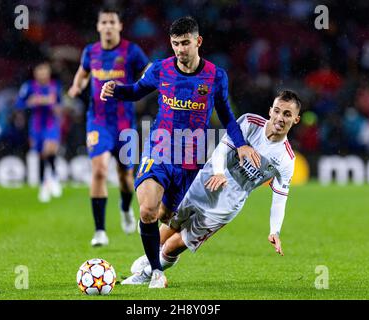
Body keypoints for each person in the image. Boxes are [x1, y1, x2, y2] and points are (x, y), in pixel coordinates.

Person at [100, 16, 254, 288]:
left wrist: (241, 144)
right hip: (158, 149)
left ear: (198, 41)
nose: (180, 49)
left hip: (191, 160)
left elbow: (227, 116)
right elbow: (136, 92)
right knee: (147, 209)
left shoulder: (216, 76)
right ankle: (157, 273)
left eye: (185, 43)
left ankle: (150, 264)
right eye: (175, 44)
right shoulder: (160, 70)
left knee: (165, 217)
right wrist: (115, 91)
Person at [123, 90, 301, 286]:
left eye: (287, 114)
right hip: (203, 183)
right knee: (168, 227)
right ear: (270, 111)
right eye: (277, 111)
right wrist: (218, 172)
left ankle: (148, 274)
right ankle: (153, 260)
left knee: (174, 245)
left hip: (224, 207)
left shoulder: (286, 159)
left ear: (296, 119)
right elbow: (222, 148)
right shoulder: (250, 123)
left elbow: (280, 197)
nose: (280, 118)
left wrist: (274, 230)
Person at [68, 7, 150, 246]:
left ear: (119, 26)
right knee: (99, 171)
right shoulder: (90, 52)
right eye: (103, 22)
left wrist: (144, 86)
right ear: (98, 26)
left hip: (125, 123)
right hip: (98, 122)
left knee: (125, 177)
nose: (107, 26)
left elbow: (147, 72)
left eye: (112, 22)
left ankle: (125, 208)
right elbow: (83, 74)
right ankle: (100, 231)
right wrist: (77, 86)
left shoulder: (131, 51)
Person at [16, 61, 63, 203]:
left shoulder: (55, 86)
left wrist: (56, 107)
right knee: (42, 154)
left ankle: (54, 177)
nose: (42, 74)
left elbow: (60, 105)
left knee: (50, 148)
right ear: (35, 73)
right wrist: (30, 102)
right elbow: (19, 103)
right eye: (39, 70)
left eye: (45, 70)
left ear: (48, 72)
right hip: (36, 124)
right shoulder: (29, 87)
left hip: (50, 122)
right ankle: (44, 184)